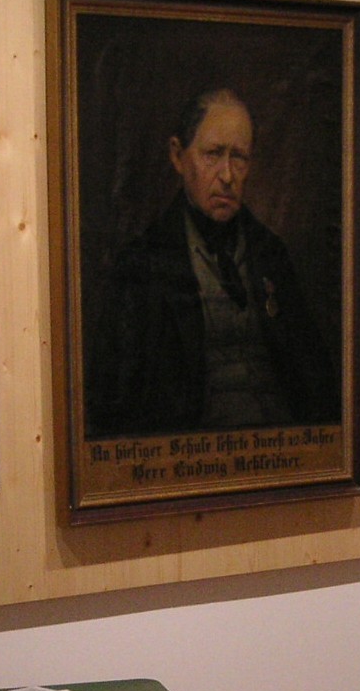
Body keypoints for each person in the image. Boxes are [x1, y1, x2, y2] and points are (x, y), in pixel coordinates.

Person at [87, 88, 339, 437]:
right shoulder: (142, 265)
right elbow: (114, 402)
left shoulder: (271, 255)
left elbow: (315, 380)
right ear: (178, 156)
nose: (227, 175)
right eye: (213, 154)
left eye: (239, 158)